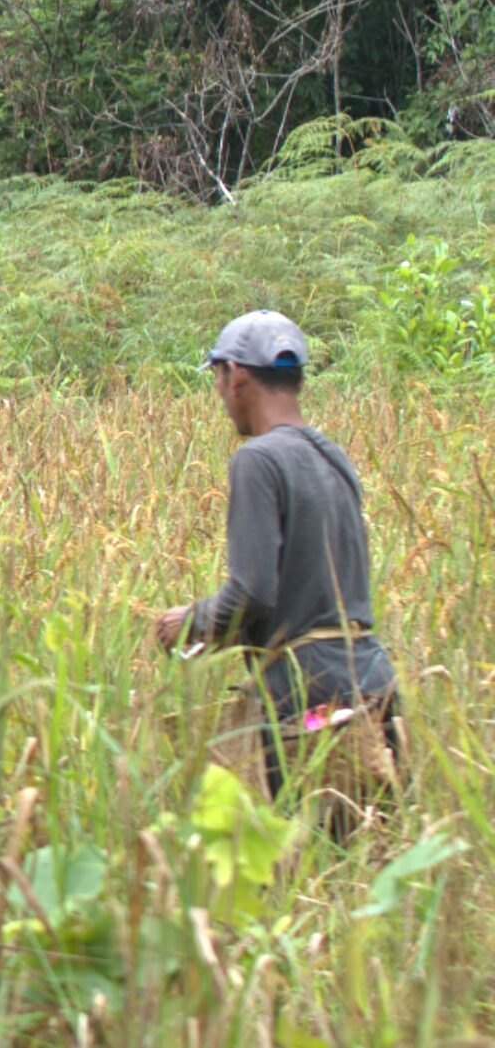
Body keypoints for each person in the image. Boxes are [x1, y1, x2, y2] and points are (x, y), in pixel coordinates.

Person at [151, 311, 399, 818]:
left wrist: (192, 622)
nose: (220, 395)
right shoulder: (334, 457)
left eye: (218, 380)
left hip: (309, 699)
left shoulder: (258, 459)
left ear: (236, 375)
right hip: (372, 683)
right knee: (365, 864)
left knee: (302, 865)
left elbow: (254, 592)